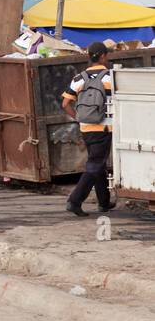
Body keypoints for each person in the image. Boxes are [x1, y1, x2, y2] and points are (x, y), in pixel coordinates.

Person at [61, 42, 117, 217]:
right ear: (102, 56)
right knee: (95, 164)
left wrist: (79, 119)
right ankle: (75, 201)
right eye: (106, 55)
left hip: (86, 128)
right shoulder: (110, 77)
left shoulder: (78, 78)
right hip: (104, 127)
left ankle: (104, 202)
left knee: (98, 163)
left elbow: (65, 104)